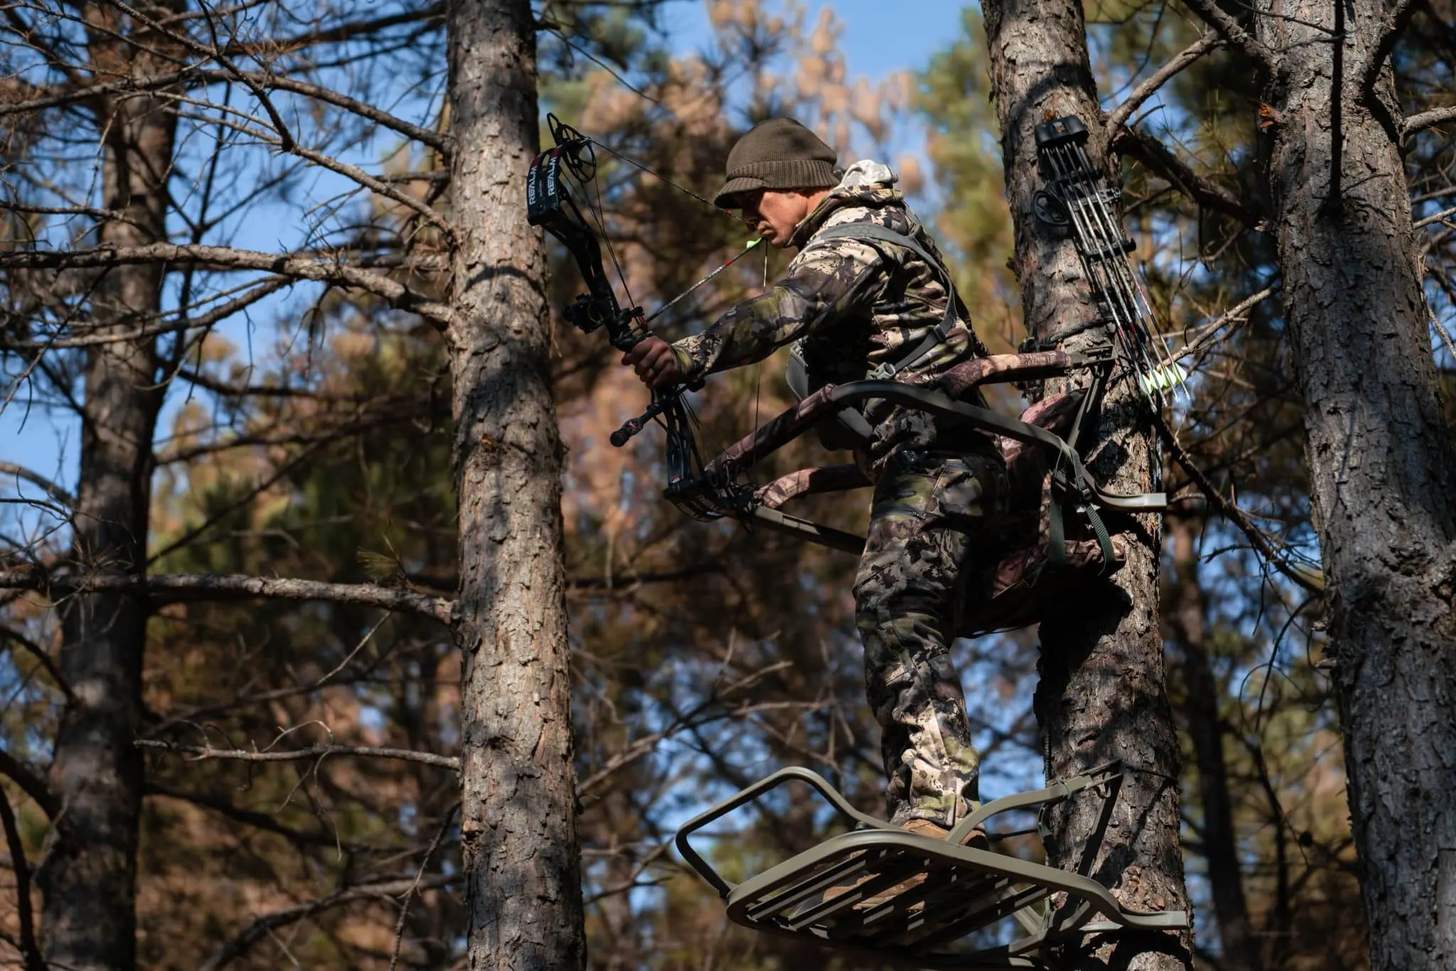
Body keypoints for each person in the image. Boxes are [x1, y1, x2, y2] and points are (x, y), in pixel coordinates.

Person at [623, 118, 1006, 841]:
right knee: (888, 600)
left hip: (946, 454)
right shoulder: (845, 241)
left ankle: (944, 807)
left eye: (754, 198)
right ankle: (927, 806)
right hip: (924, 457)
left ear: (800, 187)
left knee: (893, 597)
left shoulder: (856, 239)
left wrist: (688, 353)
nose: (748, 218)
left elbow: (785, 309)